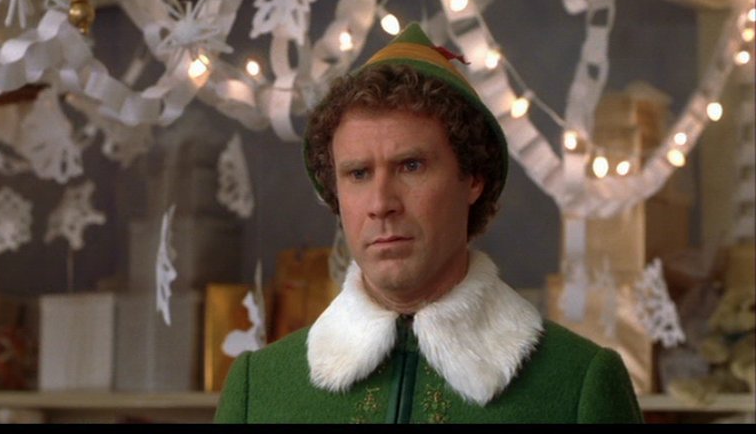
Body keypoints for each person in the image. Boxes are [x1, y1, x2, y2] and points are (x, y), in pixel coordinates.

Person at [214, 22, 644, 424]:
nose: (381, 204)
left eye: (411, 166)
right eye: (358, 173)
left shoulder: (579, 383)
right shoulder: (259, 389)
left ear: (472, 178)